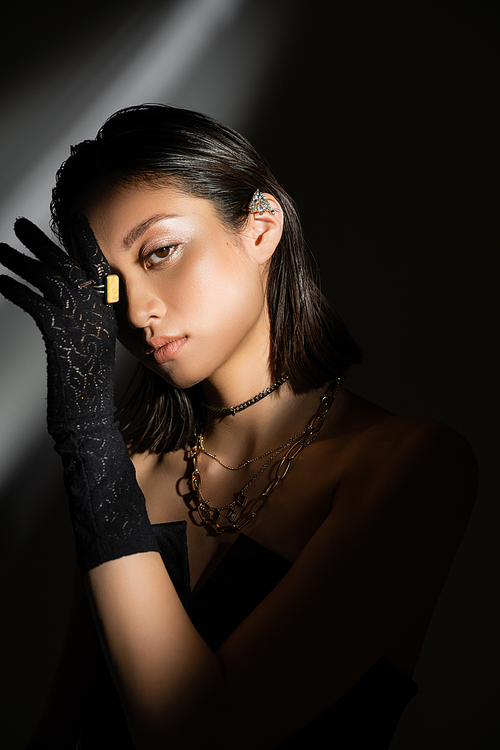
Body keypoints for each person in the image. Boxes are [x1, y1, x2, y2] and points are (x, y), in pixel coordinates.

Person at [0, 104, 478, 750]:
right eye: (108, 287)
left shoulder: (410, 463)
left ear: (260, 227)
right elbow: (65, 730)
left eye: (161, 251)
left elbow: (197, 734)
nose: (138, 310)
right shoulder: (127, 471)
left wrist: (87, 433)